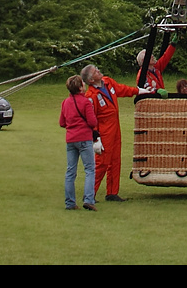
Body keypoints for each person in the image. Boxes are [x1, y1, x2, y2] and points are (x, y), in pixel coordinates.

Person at [82, 63, 140, 201]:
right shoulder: (91, 96)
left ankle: (112, 192)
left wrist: (138, 91)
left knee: (115, 161)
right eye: (95, 71)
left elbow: (122, 89)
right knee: (102, 163)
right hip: (104, 132)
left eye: (97, 69)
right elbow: (91, 118)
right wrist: (96, 138)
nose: (99, 71)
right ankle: (90, 194)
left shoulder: (108, 82)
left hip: (115, 129)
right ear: (90, 80)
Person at [59, 74, 99, 211]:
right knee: (89, 169)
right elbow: (92, 122)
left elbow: (62, 122)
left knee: (70, 171)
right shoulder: (86, 102)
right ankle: (89, 199)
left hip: (71, 139)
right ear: (80, 87)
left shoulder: (65, 102)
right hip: (84, 138)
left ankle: (69, 202)